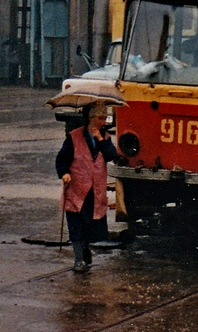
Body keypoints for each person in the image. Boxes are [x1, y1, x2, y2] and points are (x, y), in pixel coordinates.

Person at [55, 105, 118, 272]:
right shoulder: (74, 137)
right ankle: (78, 260)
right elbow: (62, 159)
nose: (103, 121)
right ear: (91, 118)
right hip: (77, 188)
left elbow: (112, 156)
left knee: (90, 224)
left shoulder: (104, 137)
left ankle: (85, 249)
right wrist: (64, 173)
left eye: (105, 118)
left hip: (95, 190)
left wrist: (100, 139)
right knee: (76, 223)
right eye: (100, 118)